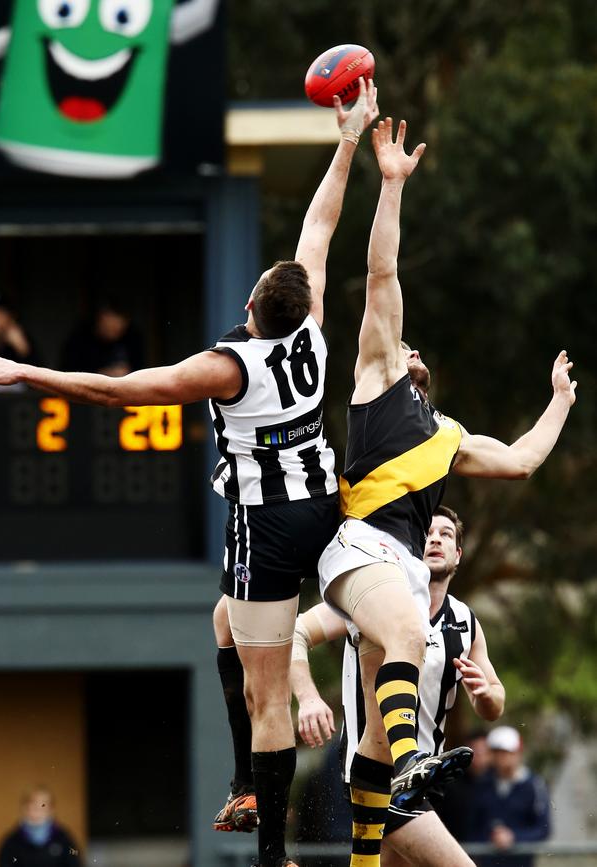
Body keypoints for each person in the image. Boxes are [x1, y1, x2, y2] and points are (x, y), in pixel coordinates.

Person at [0, 80, 381, 867]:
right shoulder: (315, 328)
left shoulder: (230, 367)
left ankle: (268, 849)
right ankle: (243, 779)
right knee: (223, 624)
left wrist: (28, 369)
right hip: (324, 506)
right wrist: (350, 138)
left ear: (257, 304)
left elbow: (118, 390)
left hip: (266, 524)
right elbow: (321, 223)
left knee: (267, 698)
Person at [315, 116, 576, 863]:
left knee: (370, 733)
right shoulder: (376, 377)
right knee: (397, 654)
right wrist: (391, 185)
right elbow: (381, 277)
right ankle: (408, 767)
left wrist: (559, 399)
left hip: (394, 567)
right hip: (361, 548)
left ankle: (387, 783)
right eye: (402, 341)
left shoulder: (448, 437)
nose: (406, 343)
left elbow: (524, 460)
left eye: (411, 346)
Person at [292, 505, 505, 867]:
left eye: (446, 535)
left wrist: (485, 694)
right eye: (428, 533)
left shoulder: (465, 621)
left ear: (458, 555)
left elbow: (495, 702)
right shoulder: (373, 597)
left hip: (421, 783)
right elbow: (295, 633)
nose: (436, 539)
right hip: (377, 778)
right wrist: (308, 698)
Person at [470, 726, 550, 867]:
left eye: (506, 752)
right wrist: (490, 839)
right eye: (497, 752)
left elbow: (543, 829)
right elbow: (473, 826)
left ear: (518, 752)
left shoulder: (534, 785)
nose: (501, 758)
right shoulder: (482, 785)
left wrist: (514, 837)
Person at [0, 786, 81, 867]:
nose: (37, 812)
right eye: (33, 807)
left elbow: (74, 863)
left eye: (43, 807)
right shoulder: (11, 842)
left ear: (51, 810)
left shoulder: (63, 839)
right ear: (24, 808)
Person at [62, 297, 144, 377]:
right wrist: (101, 374)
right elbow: (68, 374)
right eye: (110, 326)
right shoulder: (80, 340)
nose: (115, 327)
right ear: (99, 318)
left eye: (118, 328)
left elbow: (141, 372)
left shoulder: (132, 339)